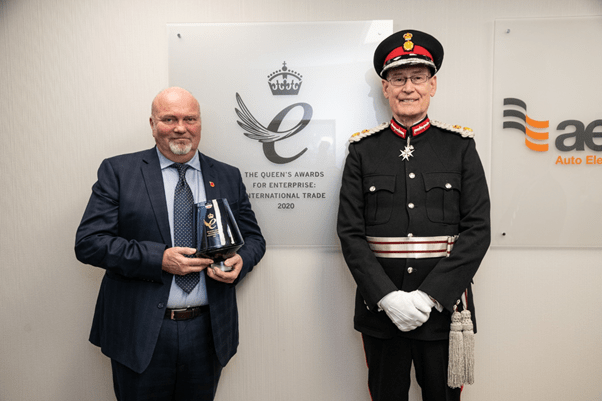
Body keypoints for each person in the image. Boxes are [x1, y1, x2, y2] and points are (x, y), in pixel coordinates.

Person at [75, 87, 266, 401]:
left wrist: (242, 261)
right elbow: (89, 243)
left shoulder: (227, 176)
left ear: (200, 124)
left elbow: (254, 239)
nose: (181, 127)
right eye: (169, 119)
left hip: (208, 331)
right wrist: (158, 258)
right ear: (152, 124)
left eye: (190, 118)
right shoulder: (120, 172)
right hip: (141, 331)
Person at [337, 30, 490, 401]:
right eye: (398, 79)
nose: (409, 87)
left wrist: (430, 297)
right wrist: (388, 297)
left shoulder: (459, 148)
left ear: (433, 85)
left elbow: (477, 231)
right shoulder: (362, 151)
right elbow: (350, 234)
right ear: (386, 88)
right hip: (381, 313)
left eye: (418, 77)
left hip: (443, 313)